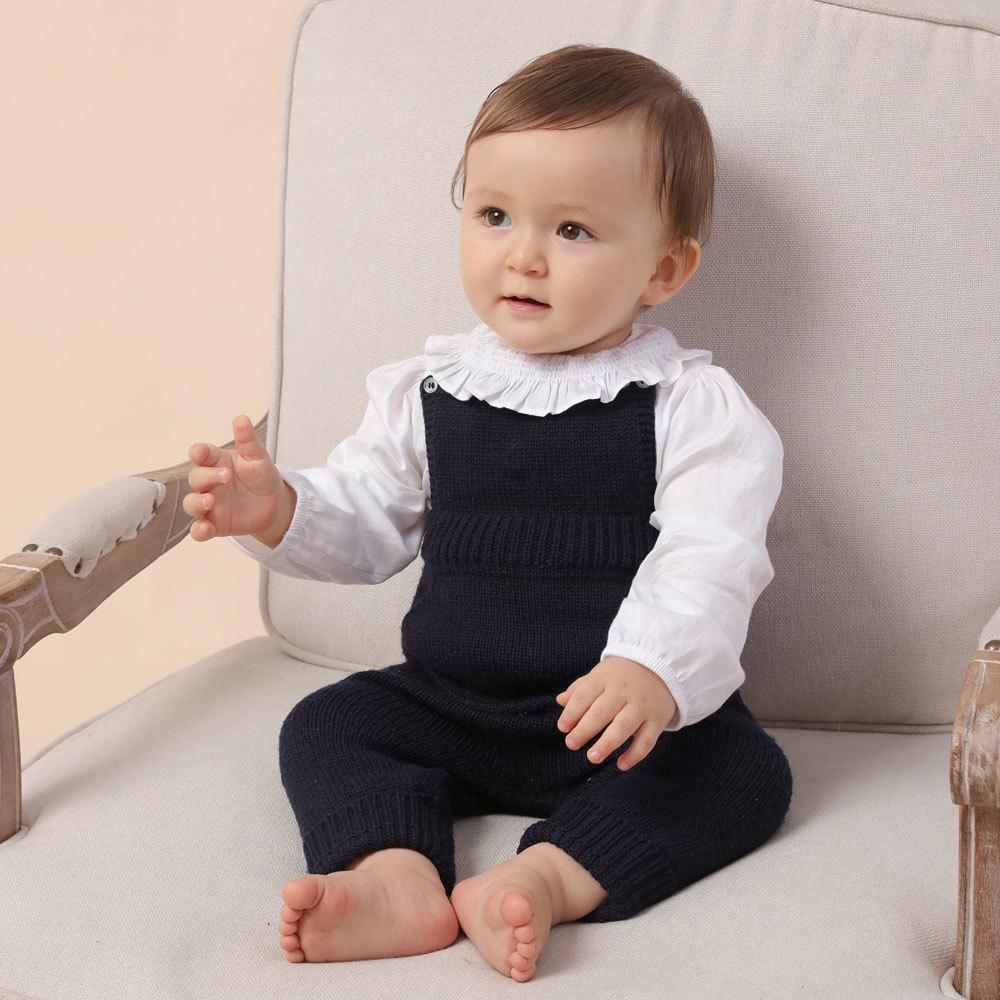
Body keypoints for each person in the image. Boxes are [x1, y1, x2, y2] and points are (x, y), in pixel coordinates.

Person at [184, 44, 792, 982]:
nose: (524, 255)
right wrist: (280, 508)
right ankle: (396, 876)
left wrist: (649, 666)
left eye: (574, 230)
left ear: (665, 269)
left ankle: (545, 877)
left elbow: (712, 554)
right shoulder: (429, 390)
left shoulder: (691, 407)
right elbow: (369, 518)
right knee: (327, 723)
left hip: (612, 722)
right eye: (494, 215)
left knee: (741, 773)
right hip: (453, 704)